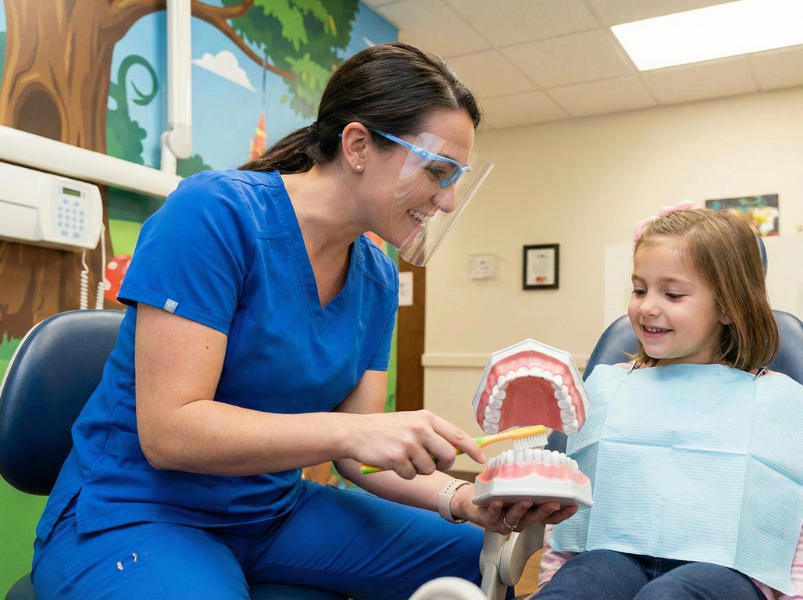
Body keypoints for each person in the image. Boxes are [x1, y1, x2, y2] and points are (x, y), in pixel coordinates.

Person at [30, 41, 576, 600]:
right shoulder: (213, 216)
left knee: (470, 557)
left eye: (456, 176)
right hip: (137, 509)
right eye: (438, 171)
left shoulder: (378, 277)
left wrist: (464, 499)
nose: (449, 200)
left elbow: (359, 461)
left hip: (270, 511)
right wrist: (355, 431)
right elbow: (170, 432)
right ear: (359, 145)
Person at [529, 206, 803, 600]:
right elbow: (571, 510)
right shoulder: (610, 390)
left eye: (672, 294)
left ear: (726, 306)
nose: (648, 306)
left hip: (726, 570)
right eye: (639, 289)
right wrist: (553, 581)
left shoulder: (773, 402)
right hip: (614, 556)